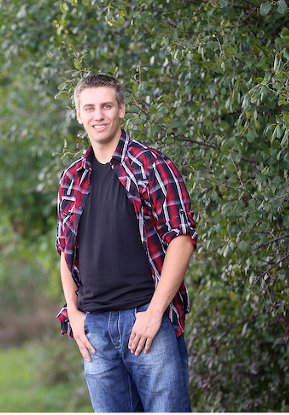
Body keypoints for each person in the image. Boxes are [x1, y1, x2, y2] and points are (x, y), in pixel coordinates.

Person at [56, 73, 198, 412]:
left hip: (146, 321)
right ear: (78, 114)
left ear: (122, 109)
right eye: (89, 108)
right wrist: (75, 316)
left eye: (106, 106)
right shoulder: (72, 177)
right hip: (95, 330)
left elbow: (182, 238)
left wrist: (154, 312)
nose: (98, 115)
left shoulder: (150, 165)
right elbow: (65, 252)